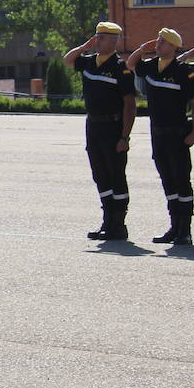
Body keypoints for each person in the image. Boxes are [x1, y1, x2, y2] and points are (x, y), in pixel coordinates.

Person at [126, 28, 194, 245]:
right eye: (158, 40)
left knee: (182, 182)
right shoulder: (150, 66)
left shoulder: (183, 71)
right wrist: (141, 49)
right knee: (168, 181)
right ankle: (174, 226)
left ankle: (185, 230)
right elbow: (131, 64)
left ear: (174, 47)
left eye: (164, 42)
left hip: (178, 134)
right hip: (158, 135)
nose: (158, 44)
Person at [63, 22, 135, 241]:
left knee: (116, 175)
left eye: (102, 38)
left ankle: (118, 224)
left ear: (113, 41)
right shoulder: (88, 62)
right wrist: (85, 46)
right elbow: (67, 60)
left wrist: (124, 136)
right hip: (93, 126)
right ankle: (107, 221)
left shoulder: (120, 67)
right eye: (97, 37)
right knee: (100, 174)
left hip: (113, 127)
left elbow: (130, 105)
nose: (98, 41)